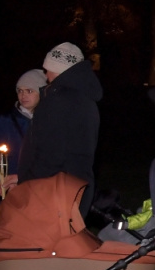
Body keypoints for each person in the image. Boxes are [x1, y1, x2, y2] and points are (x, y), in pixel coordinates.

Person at [6, 43, 101, 220]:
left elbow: (50, 155)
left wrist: (26, 184)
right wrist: (22, 176)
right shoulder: (85, 99)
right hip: (73, 190)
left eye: (47, 69)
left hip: (52, 196)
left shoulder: (58, 101)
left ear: (56, 68)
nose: (45, 75)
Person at [0, 70, 45, 223]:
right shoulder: (6, 121)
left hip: (40, 189)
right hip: (11, 191)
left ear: (41, 92)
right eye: (20, 91)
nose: (23, 95)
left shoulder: (48, 120)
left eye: (29, 91)